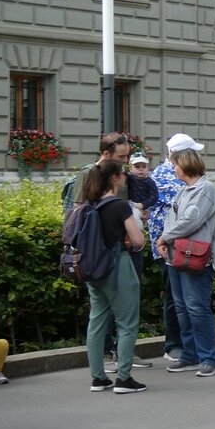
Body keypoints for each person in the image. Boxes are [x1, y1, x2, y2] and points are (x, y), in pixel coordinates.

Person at [67, 134, 151, 370]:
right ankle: (115, 364)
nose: (126, 162)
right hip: (106, 253)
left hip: (115, 250)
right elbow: (78, 212)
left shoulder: (117, 177)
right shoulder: (90, 174)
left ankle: (108, 365)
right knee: (117, 314)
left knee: (107, 311)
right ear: (106, 155)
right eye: (121, 157)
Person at [157, 134, 215, 378]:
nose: (173, 169)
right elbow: (172, 219)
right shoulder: (185, 190)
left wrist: (165, 238)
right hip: (177, 257)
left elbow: (190, 221)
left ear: (185, 164)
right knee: (183, 308)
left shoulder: (205, 189)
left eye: (175, 164)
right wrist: (165, 240)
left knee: (196, 308)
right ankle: (190, 355)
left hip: (196, 258)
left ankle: (209, 359)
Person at [81, 159, 148, 394]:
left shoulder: (91, 204)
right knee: (127, 323)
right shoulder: (120, 206)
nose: (126, 176)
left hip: (93, 269)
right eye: (123, 173)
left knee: (97, 323)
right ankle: (124, 379)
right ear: (115, 178)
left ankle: (98, 378)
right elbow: (138, 240)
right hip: (118, 266)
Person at [149, 151, 186, 362]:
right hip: (170, 249)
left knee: (190, 298)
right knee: (174, 298)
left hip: (187, 247)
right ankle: (174, 345)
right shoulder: (163, 175)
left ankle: (193, 344)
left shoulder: (187, 176)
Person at [125, 154, 159, 280]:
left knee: (135, 218)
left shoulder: (149, 181)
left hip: (140, 207)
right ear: (131, 168)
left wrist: (143, 204)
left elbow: (155, 196)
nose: (140, 170)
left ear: (148, 168)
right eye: (137, 167)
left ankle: (137, 237)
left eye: (143, 167)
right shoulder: (129, 178)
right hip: (129, 202)